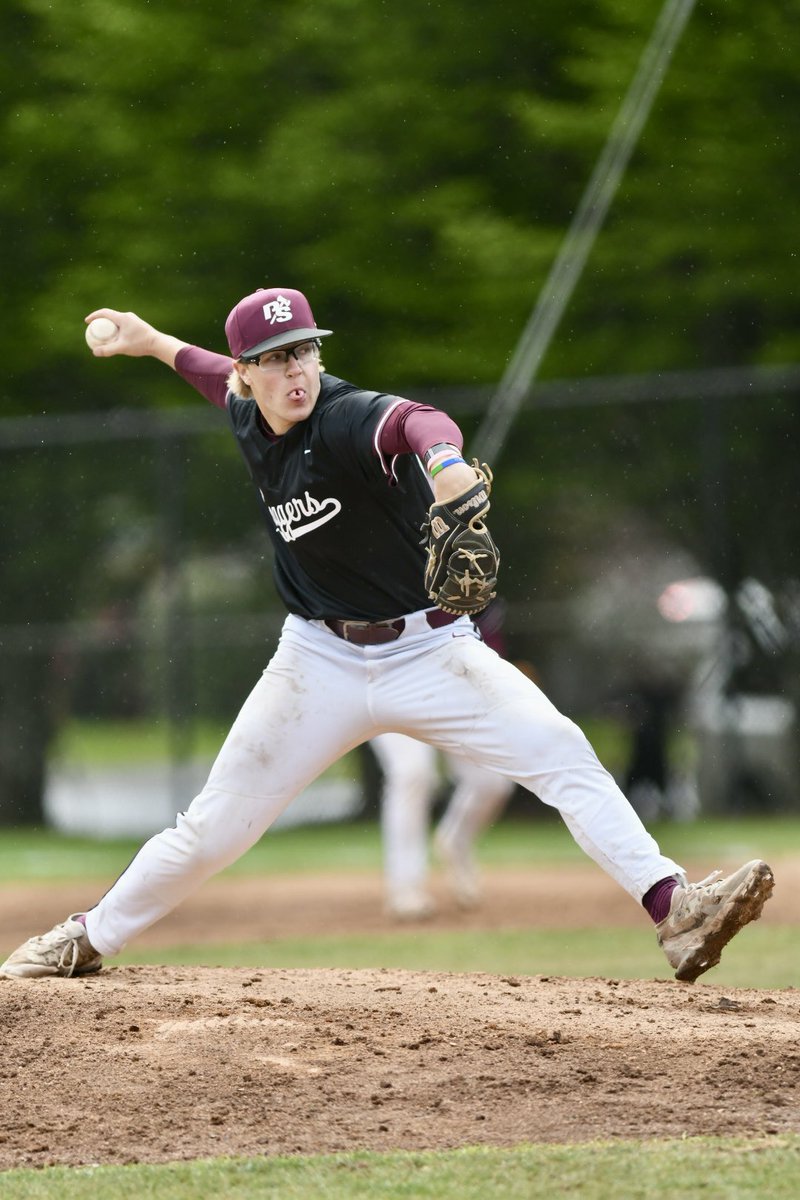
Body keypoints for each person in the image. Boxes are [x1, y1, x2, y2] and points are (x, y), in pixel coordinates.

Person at [0, 286, 774, 984]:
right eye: (272, 359)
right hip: (316, 661)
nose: (294, 370)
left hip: (432, 649)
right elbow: (205, 369)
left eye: (303, 349)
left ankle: (676, 907)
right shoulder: (244, 407)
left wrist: (443, 463)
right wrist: (148, 340)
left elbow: (415, 420)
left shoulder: (345, 417)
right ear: (248, 374)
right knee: (213, 829)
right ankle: (85, 937)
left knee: (561, 749)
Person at [374, 601, 516, 918]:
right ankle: (406, 888)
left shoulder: (459, 565)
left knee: (492, 783)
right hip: (386, 680)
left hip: (451, 686)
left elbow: (487, 642)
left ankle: (455, 841)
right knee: (413, 773)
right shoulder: (383, 570)